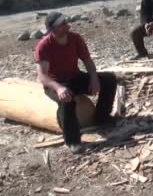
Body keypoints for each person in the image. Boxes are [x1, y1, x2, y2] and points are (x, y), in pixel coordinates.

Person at [35, 11, 117, 154]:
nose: (68, 25)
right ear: (53, 29)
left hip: (74, 77)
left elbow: (87, 61)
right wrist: (59, 88)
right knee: (67, 99)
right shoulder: (44, 46)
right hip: (55, 84)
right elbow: (42, 75)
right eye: (63, 24)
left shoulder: (75, 38)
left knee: (109, 79)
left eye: (66, 22)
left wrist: (94, 78)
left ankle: (102, 117)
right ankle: (72, 140)